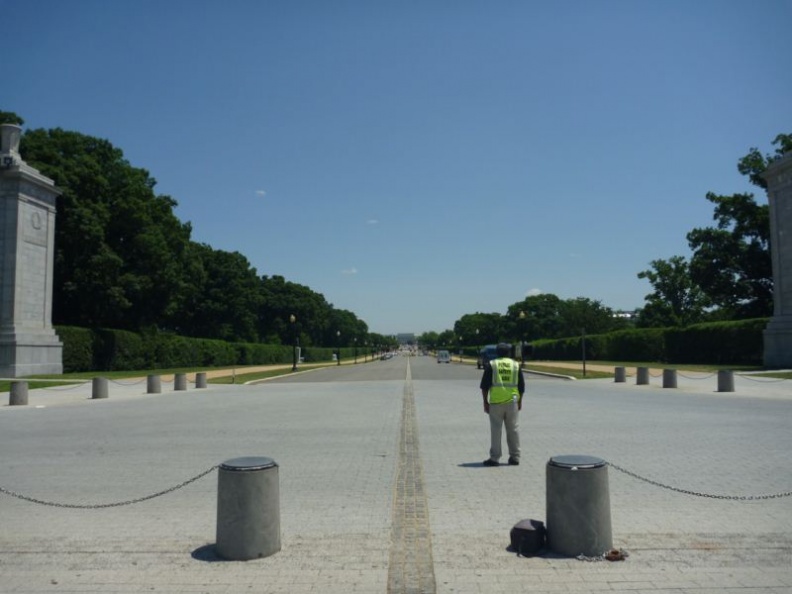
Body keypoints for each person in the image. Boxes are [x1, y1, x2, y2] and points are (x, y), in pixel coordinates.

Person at [480, 342, 525, 466]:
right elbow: (521, 387)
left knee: (496, 430)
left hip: (496, 402)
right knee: (513, 429)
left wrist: (485, 402)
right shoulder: (516, 365)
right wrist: (520, 402)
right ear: (509, 352)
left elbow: (484, 386)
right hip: (512, 402)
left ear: (497, 352)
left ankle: (494, 458)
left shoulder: (492, 365)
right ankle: (515, 457)